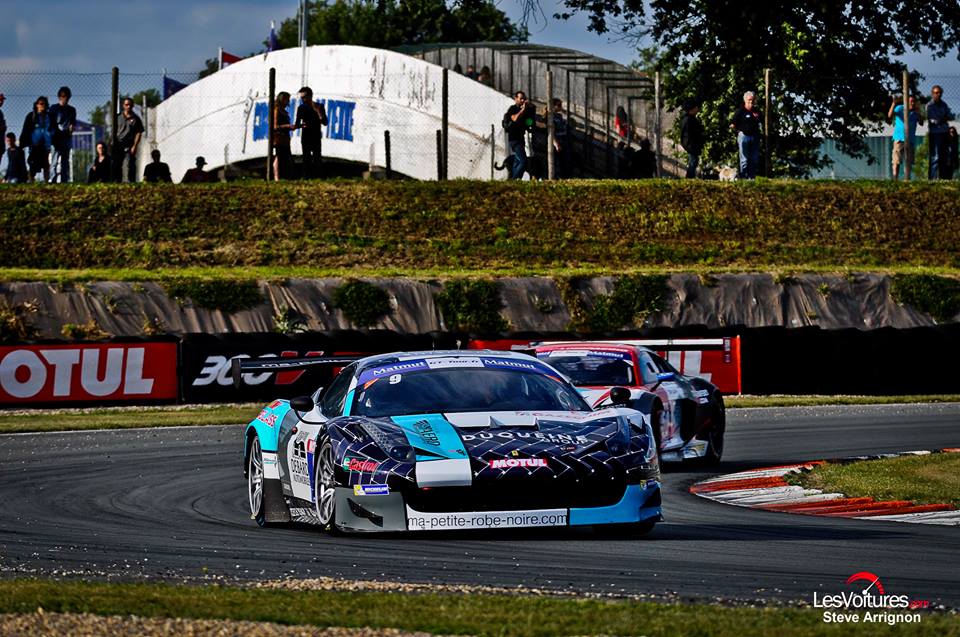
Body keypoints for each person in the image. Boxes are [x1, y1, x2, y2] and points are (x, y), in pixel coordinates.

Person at [20, 96, 55, 183]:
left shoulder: (49, 117)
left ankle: (46, 182)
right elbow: (26, 130)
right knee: (33, 165)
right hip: (34, 145)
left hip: (46, 144)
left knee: (46, 164)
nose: (43, 106)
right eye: (41, 104)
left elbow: (54, 129)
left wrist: (53, 137)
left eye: (45, 104)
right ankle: (31, 182)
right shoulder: (31, 116)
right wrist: (23, 143)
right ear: (37, 105)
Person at [888, 94, 923, 181]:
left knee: (908, 162)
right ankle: (895, 179)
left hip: (910, 140)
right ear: (906, 101)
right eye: (911, 101)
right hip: (899, 138)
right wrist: (893, 103)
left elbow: (921, 123)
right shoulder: (900, 108)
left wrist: (919, 112)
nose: (912, 103)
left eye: (914, 101)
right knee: (896, 161)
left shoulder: (915, 112)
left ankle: (906, 179)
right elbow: (890, 115)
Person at [295, 86, 327, 178]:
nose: (303, 99)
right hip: (306, 135)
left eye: (304, 97)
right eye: (301, 97)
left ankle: (318, 176)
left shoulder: (319, 106)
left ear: (310, 96)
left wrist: (318, 112)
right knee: (306, 157)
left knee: (317, 156)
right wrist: (300, 125)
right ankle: (307, 176)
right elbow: (297, 123)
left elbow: (325, 122)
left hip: (316, 135)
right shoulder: (301, 108)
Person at [502, 91, 535, 180]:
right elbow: (515, 118)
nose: (522, 100)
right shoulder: (512, 109)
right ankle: (514, 180)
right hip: (514, 139)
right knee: (523, 162)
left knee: (517, 161)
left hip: (521, 138)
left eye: (524, 99)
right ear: (516, 99)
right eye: (521, 99)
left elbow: (529, 123)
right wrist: (522, 110)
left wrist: (531, 111)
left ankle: (515, 179)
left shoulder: (526, 111)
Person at [730, 91, 762, 179]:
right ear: (745, 100)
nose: (751, 102)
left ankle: (751, 178)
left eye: (753, 100)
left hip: (755, 137)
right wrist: (739, 131)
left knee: (754, 158)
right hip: (743, 137)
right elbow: (733, 124)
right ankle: (743, 177)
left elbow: (761, 121)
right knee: (744, 159)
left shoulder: (757, 111)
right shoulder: (740, 111)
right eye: (749, 100)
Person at [925, 85, 955, 180]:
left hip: (945, 133)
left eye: (939, 93)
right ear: (932, 94)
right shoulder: (929, 106)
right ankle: (933, 179)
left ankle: (943, 178)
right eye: (936, 93)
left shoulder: (944, 105)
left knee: (944, 156)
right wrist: (942, 119)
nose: (938, 94)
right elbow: (932, 120)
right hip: (935, 134)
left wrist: (942, 119)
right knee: (935, 157)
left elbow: (951, 116)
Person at [48, 86, 76, 183]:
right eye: (63, 96)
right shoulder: (54, 108)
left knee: (65, 161)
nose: (65, 99)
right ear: (59, 97)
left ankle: (64, 180)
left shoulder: (71, 110)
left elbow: (72, 123)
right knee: (54, 161)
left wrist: (71, 129)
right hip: (56, 138)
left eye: (67, 97)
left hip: (66, 138)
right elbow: (51, 123)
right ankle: (53, 179)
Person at [112, 97, 143, 183]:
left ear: (132, 106)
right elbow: (113, 131)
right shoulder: (117, 117)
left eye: (130, 105)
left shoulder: (136, 119)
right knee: (117, 164)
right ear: (123, 106)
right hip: (118, 144)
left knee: (129, 164)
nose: (128, 106)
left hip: (129, 145)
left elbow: (139, 133)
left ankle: (131, 183)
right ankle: (117, 183)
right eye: (126, 105)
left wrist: (135, 146)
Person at [272, 91, 298, 181]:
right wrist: (288, 126)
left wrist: (293, 127)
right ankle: (277, 177)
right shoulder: (276, 110)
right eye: (287, 99)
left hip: (285, 138)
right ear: (282, 99)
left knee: (285, 156)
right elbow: (275, 126)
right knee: (278, 156)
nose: (288, 102)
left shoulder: (284, 112)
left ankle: (286, 176)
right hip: (278, 137)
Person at [680, 99, 705, 178]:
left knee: (694, 162)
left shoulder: (691, 118)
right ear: (691, 109)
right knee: (693, 162)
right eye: (695, 107)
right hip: (691, 145)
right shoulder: (688, 120)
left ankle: (690, 177)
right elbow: (688, 134)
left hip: (693, 144)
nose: (697, 108)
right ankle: (689, 178)